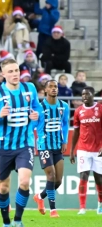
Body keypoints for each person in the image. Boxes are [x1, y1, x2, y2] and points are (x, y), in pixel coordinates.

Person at [0, 58, 41, 227]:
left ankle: (18, 219)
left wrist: (36, 117)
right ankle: (6, 224)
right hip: (4, 146)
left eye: (17, 70)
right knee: (4, 188)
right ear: (3, 75)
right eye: (11, 72)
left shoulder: (29, 88)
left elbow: (37, 110)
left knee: (24, 182)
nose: (15, 74)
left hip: (25, 144)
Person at [33, 80, 70, 218]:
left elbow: (65, 124)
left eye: (55, 87)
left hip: (57, 146)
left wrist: (65, 141)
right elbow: (33, 126)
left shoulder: (64, 106)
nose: (54, 89)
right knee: (51, 176)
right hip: (44, 147)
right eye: (51, 87)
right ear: (45, 90)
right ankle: (53, 210)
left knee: (58, 181)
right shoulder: (39, 107)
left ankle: (39, 196)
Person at [70, 87, 102, 215]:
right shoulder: (78, 111)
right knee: (83, 176)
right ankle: (82, 207)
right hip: (83, 149)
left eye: (87, 94)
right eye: (83, 94)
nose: (84, 96)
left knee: (99, 179)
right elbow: (76, 131)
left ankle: (100, 203)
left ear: (93, 95)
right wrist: (72, 150)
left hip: (98, 150)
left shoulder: (100, 108)